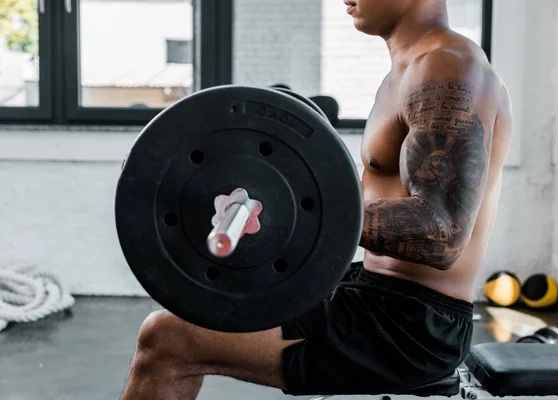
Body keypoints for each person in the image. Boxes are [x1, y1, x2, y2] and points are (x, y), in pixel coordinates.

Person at [121, 0, 512, 398]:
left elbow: (441, 232)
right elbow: (350, 200)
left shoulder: (448, 66)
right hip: (374, 293)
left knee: (166, 338)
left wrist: (290, 215)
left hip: (408, 327)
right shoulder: (409, 69)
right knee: (226, 293)